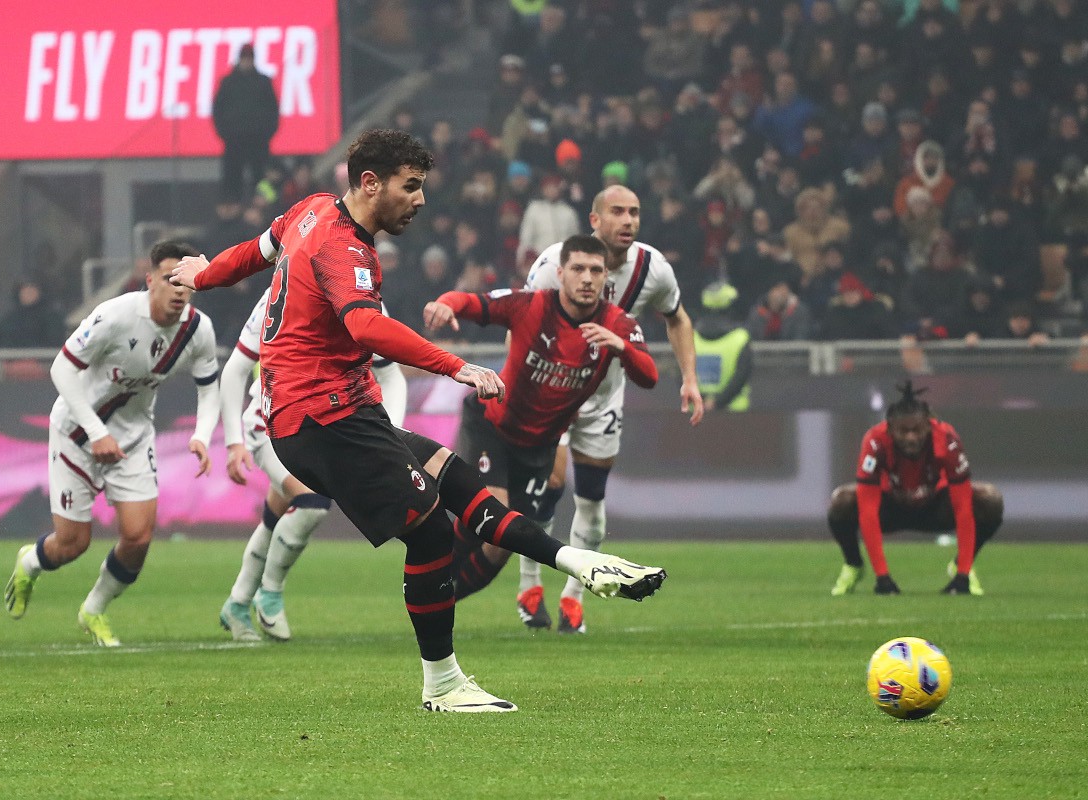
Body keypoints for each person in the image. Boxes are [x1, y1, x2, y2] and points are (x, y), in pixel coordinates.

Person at [169, 129, 665, 712]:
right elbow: (368, 328)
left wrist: (201, 275)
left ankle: (580, 563)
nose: (421, 199)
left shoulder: (308, 212)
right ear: (371, 183)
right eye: (412, 186)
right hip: (321, 419)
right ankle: (444, 684)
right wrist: (454, 365)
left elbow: (251, 253)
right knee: (430, 531)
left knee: (459, 483)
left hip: (341, 411)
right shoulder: (343, 248)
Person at [423, 234, 658, 632]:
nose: (587, 278)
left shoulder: (618, 325)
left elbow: (649, 375)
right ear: (561, 273)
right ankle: (430, 592)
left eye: (596, 271)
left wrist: (620, 346)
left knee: (500, 545)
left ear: (606, 278)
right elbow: (475, 302)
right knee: (487, 511)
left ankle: (440, 601)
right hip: (492, 426)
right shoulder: (530, 305)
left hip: (539, 446)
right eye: (578, 269)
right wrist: (446, 303)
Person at [3, 242, 221, 646]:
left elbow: (210, 388)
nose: (178, 289)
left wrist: (202, 435)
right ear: (150, 279)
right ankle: (30, 561)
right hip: (76, 433)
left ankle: (94, 609)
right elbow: (62, 369)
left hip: (134, 438)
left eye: (187, 281)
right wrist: (95, 431)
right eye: (171, 279)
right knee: (72, 545)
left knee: (138, 538)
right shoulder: (115, 316)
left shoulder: (197, 330)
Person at [518, 185, 702, 634]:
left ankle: (573, 598)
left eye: (635, 213)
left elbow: (676, 316)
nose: (629, 221)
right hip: (550, 392)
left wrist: (690, 379)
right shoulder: (553, 264)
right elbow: (519, 321)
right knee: (551, 485)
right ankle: (529, 585)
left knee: (593, 504)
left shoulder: (653, 268)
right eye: (618, 212)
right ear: (594, 220)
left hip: (602, 399)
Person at [217, 289, 409, 642]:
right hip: (271, 424)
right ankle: (269, 593)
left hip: (325, 431)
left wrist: (390, 431)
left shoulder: (366, 298)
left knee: (275, 516)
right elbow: (235, 369)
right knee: (312, 503)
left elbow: (392, 375)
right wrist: (233, 442)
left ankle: (237, 603)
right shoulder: (282, 292)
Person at [827, 381, 1003, 597]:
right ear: (890, 429)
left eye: (917, 430)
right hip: (891, 509)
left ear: (929, 426)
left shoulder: (947, 440)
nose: (911, 437)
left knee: (990, 500)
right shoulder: (874, 441)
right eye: (903, 431)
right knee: (841, 501)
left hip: (935, 508)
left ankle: (960, 565)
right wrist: (883, 577)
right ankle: (853, 565)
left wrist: (962, 577)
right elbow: (868, 512)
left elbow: (963, 509)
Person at [212, 44, 280, 198]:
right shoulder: (228, 83)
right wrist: (226, 134)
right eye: (245, 59)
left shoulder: (263, 82)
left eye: (249, 59)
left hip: (258, 142)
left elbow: (273, 111)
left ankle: (266, 208)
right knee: (232, 180)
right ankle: (232, 210)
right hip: (234, 142)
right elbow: (218, 111)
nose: (247, 62)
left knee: (261, 179)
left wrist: (265, 135)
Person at [694, 283, 752, 412]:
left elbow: (682, 375)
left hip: (697, 414)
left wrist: (702, 400)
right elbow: (741, 376)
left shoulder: (691, 338)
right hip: (735, 413)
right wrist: (717, 402)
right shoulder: (740, 338)